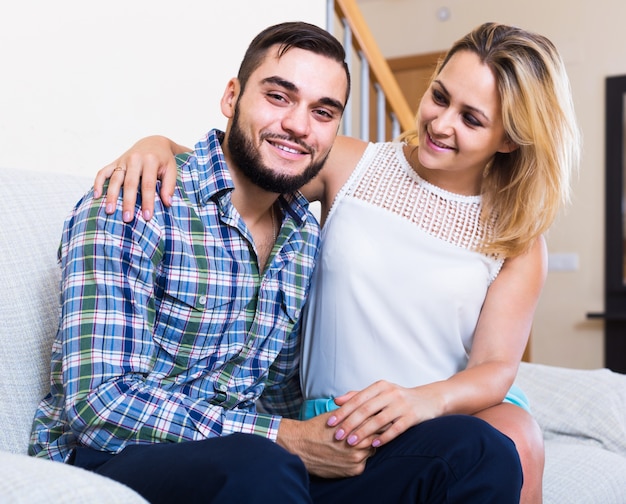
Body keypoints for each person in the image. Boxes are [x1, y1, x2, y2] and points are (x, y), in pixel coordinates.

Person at [30, 20, 524, 504]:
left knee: (477, 451)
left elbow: (280, 393)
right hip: (115, 458)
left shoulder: (302, 233)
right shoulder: (136, 203)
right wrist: (285, 439)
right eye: (278, 96)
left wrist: (323, 439)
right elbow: (98, 403)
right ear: (232, 97)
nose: (297, 125)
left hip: (260, 467)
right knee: (260, 464)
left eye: (323, 111)